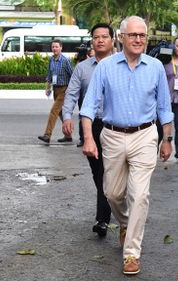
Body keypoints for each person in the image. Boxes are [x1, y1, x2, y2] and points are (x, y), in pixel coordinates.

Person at [80, 16, 174, 275]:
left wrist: (167, 139)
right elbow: (88, 107)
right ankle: (125, 223)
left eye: (142, 35)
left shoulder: (155, 67)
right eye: (133, 35)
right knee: (112, 193)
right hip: (111, 136)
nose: (138, 39)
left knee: (140, 195)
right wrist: (88, 137)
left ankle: (131, 253)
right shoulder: (106, 67)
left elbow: (165, 109)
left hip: (145, 136)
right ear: (121, 38)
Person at [62, 23, 114, 238]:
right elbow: (72, 94)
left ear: (112, 39)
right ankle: (108, 204)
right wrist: (66, 117)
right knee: (97, 172)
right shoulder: (82, 68)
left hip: (115, 126)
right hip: (91, 126)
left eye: (104, 36)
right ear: (92, 41)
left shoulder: (121, 64)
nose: (100, 40)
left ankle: (102, 219)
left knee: (106, 172)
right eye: (96, 37)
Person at [37, 39, 73, 144]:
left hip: (64, 89)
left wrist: (71, 91)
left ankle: (47, 135)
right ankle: (68, 135)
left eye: (56, 47)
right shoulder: (51, 60)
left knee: (53, 111)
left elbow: (73, 75)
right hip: (55, 89)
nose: (54, 49)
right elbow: (49, 75)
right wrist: (47, 87)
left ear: (61, 48)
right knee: (61, 113)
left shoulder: (65, 60)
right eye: (53, 47)